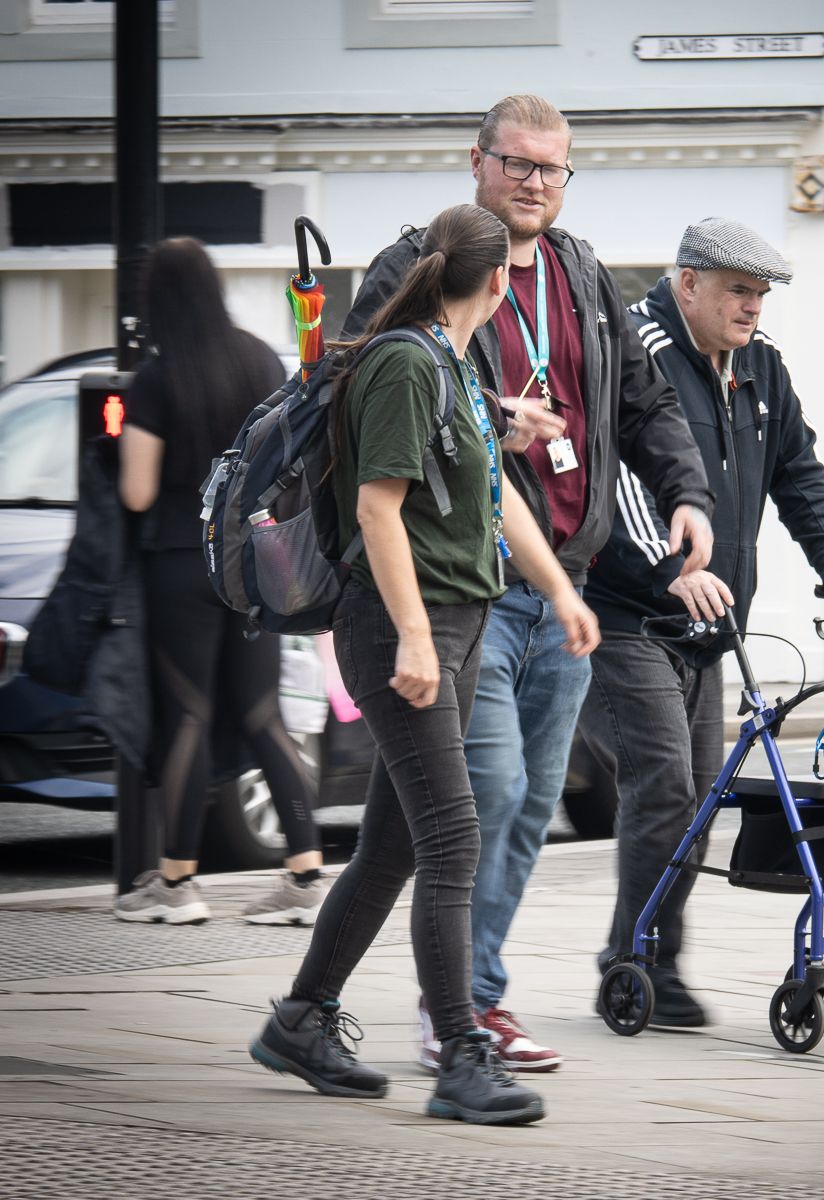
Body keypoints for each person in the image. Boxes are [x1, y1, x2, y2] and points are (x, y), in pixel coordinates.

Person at [341, 95, 714, 1072]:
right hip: (461, 593)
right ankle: (451, 1015)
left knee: (517, 805)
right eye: (519, 164)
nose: (536, 183)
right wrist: (484, 415)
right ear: (478, 162)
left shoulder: (581, 273)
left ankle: (443, 1003)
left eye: (553, 169)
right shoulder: (418, 262)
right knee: (489, 794)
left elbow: (645, 401)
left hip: (559, 584)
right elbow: (357, 386)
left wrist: (686, 495)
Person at [250, 203, 601, 1125]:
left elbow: (494, 502)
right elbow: (377, 510)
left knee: (393, 849)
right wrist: (410, 635)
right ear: (495, 283)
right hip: (405, 632)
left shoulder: (450, 362)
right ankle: (461, 1056)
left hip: (452, 625)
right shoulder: (408, 363)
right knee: (453, 838)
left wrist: (560, 593)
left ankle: (300, 1020)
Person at [578, 218, 824, 1025]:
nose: (752, 308)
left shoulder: (759, 367)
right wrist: (671, 569)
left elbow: (797, 471)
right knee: (666, 787)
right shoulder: (637, 349)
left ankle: (638, 958)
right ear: (688, 283)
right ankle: (643, 964)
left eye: (760, 294)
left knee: (691, 798)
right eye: (737, 292)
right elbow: (614, 480)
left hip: (707, 624)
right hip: (624, 615)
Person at [115, 237, 328, 927]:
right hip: (252, 564)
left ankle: (176, 885)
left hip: (181, 562)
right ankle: (303, 877)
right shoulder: (259, 358)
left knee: (189, 715)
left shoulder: (156, 377)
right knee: (263, 715)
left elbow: (138, 492)